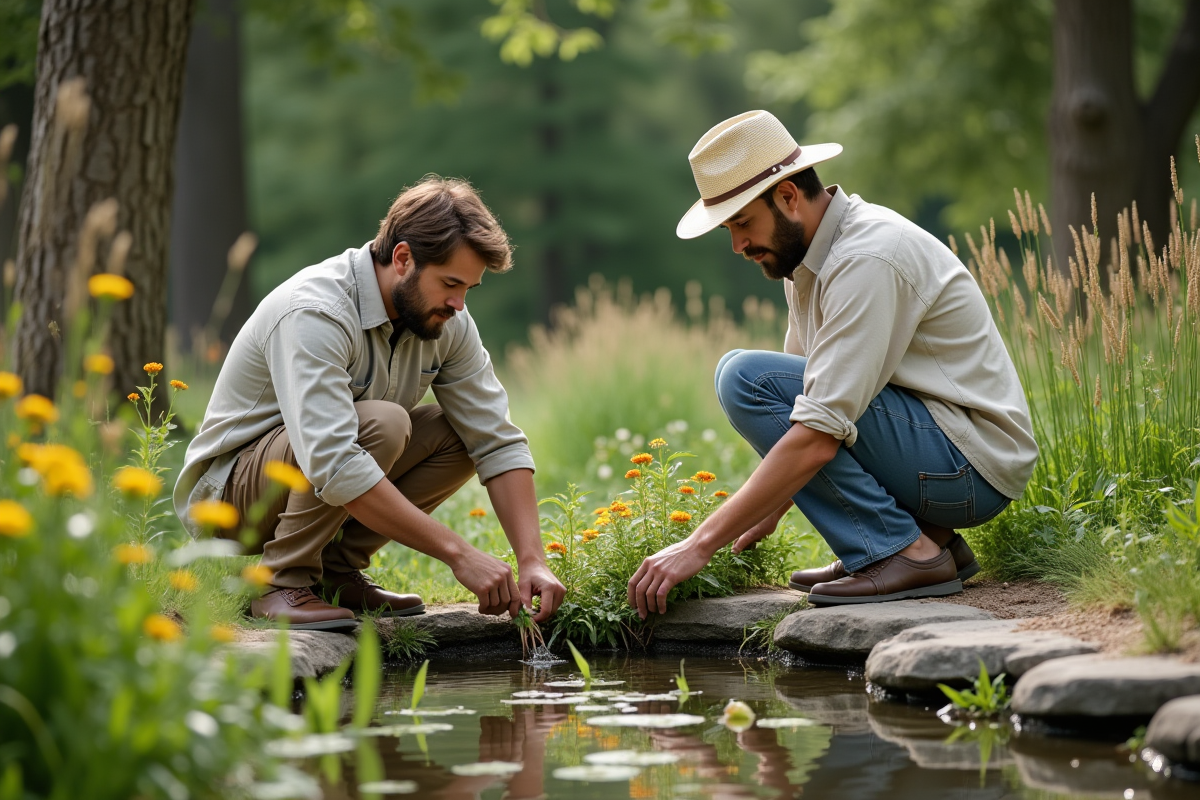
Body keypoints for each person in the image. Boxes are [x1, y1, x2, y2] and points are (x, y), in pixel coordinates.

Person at [627, 111, 1037, 614]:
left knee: (743, 377)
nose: (737, 246)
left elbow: (817, 431)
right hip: (944, 457)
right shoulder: (809, 260)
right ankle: (927, 543)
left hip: (970, 469)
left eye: (741, 223)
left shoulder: (866, 258)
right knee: (756, 377)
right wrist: (770, 509)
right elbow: (805, 400)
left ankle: (900, 552)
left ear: (787, 197)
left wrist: (698, 546)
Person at [175, 176, 565, 630]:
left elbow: (496, 440)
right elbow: (334, 460)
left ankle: (337, 574)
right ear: (403, 258)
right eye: (450, 284)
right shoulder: (315, 311)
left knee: (460, 434)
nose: (459, 304)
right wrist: (459, 554)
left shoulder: (446, 317)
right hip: (230, 502)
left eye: (469, 290)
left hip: (317, 472)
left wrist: (532, 559)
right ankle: (280, 581)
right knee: (383, 423)